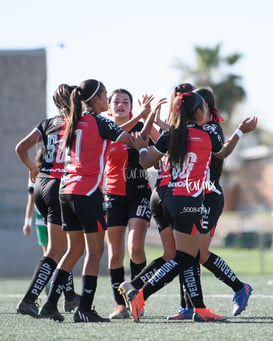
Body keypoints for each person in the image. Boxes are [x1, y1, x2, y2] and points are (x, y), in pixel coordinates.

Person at [118, 91, 257, 322]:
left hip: (168, 198)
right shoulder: (207, 134)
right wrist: (241, 130)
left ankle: (198, 309)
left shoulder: (171, 135)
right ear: (199, 112)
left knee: (182, 256)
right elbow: (223, 153)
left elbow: (145, 161)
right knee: (184, 258)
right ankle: (141, 295)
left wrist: (142, 147)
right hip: (190, 202)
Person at [38, 79, 150, 323]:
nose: (108, 99)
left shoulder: (73, 121)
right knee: (96, 251)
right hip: (86, 192)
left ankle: (49, 304)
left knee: (74, 250)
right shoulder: (99, 122)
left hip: (66, 190)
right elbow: (129, 137)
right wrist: (142, 117)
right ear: (97, 99)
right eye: (106, 95)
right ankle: (84, 309)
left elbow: (118, 131)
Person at [167, 87, 253, 320]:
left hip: (209, 195)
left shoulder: (211, 128)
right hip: (192, 196)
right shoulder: (188, 129)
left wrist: (239, 132)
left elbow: (222, 153)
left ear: (203, 107)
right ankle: (189, 307)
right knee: (188, 253)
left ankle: (239, 287)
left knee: (199, 253)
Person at [16, 84, 81, 318]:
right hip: (60, 186)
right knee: (58, 249)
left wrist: (33, 168)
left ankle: (65, 298)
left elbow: (20, 148)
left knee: (63, 247)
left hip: (42, 185)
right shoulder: (78, 122)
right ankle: (30, 299)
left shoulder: (47, 123)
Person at [105, 89, 155, 319]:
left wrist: (151, 115)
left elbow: (161, 146)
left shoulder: (140, 127)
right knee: (115, 254)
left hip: (139, 194)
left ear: (132, 106)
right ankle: (121, 305)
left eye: (126, 102)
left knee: (135, 248)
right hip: (113, 196)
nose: (121, 105)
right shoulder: (103, 128)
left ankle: (138, 298)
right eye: (116, 101)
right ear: (109, 106)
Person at [23, 147, 48, 256]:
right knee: (59, 252)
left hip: (40, 219)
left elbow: (31, 201)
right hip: (55, 219)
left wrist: (27, 223)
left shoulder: (33, 173)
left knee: (47, 254)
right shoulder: (55, 172)